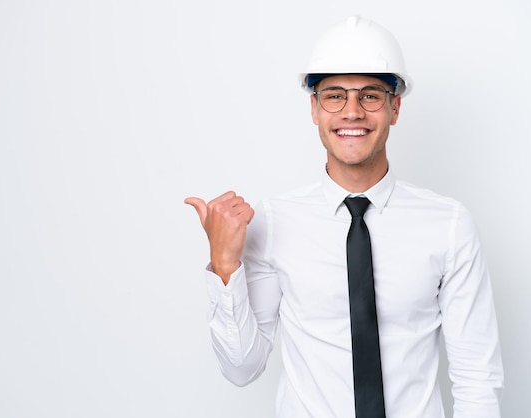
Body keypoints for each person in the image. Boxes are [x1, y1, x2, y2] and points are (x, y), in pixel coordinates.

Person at [184, 15, 503, 418]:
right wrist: (225, 266)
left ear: (395, 107)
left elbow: (477, 378)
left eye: (370, 95)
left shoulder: (449, 224)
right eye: (334, 95)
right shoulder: (274, 220)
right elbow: (242, 368)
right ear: (314, 109)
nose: (352, 112)